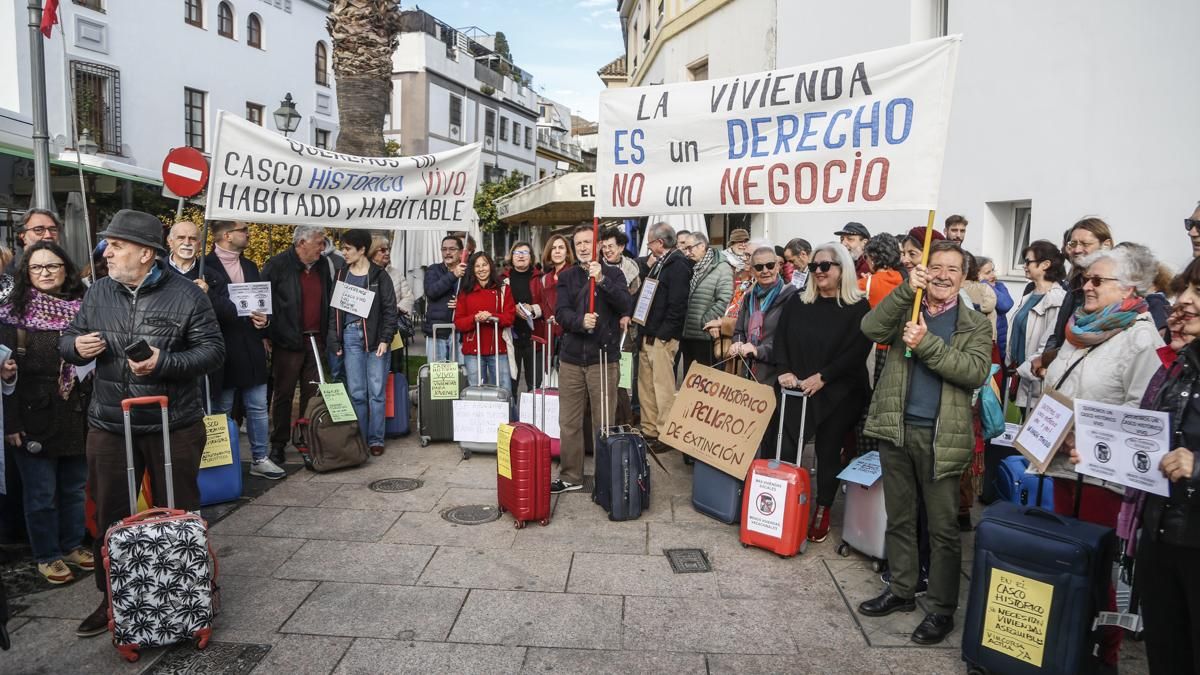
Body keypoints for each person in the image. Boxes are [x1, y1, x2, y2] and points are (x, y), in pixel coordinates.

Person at [59, 209, 224, 638]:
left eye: (117, 246)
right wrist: (76, 346)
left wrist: (164, 361)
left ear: (147, 254)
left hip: (175, 424)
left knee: (180, 514)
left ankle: (190, 592)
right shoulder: (98, 293)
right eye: (108, 245)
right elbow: (68, 340)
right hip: (112, 424)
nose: (107, 253)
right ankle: (113, 598)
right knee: (109, 516)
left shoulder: (189, 295)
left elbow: (212, 353)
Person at [857, 240, 992, 646]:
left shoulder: (974, 324)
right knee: (899, 518)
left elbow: (974, 372)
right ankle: (901, 589)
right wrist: (903, 290)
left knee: (943, 529)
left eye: (953, 269)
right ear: (924, 270)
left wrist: (926, 344)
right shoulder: (908, 307)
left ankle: (940, 609)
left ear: (964, 277)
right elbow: (870, 328)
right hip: (896, 429)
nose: (943, 275)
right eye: (937, 267)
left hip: (941, 438)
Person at [1041, 245, 1160, 669]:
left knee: (1096, 569)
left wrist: (1086, 436)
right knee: (1067, 561)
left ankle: (1101, 654)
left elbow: (1144, 415)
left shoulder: (1141, 337)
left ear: (1129, 288)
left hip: (1103, 477)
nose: (1086, 286)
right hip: (1061, 466)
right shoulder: (1082, 328)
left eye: (1097, 280)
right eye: (1084, 279)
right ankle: (1064, 642)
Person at [1118, 264, 1200, 674]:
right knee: (1166, 655)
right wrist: (1105, 453)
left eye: (1198, 291)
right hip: (1161, 531)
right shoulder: (1179, 365)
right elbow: (1150, 438)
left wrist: (1198, 466)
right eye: (1185, 289)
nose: (1184, 299)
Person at [1, 242, 89, 584]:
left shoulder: (84, 307)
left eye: (52, 266)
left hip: (76, 412)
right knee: (41, 494)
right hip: (32, 415)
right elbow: (5, 375)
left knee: (74, 488)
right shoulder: (13, 313)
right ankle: (46, 554)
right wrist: (10, 423)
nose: (45, 273)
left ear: (66, 268)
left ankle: (71, 545)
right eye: (37, 268)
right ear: (26, 273)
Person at [775, 243, 872, 542]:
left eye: (825, 266)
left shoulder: (858, 307)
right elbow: (781, 338)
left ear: (842, 269)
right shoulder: (797, 301)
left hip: (839, 389)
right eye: (814, 266)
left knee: (828, 449)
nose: (818, 271)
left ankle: (823, 507)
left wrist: (824, 377)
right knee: (786, 444)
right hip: (798, 386)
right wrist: (784, 369)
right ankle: (783, 503)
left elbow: (857, 351)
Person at [552, 226, 631, 493]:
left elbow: (625, 305)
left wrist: (604, 281)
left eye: (588, 242)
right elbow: (561, 312)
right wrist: (579, 321)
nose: (583, 247)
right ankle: (571, 476)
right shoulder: (567, 277)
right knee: (569, 421)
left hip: (603, 358)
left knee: (603, 423)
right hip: (572, 359)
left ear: (597, 245)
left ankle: (604, 477)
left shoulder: (614, 274)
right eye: (579, 243)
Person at [205, 221, 282, 479]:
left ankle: (260, 458)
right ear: (227, 235)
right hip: (223, 350)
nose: (248, 234)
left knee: (259, 407)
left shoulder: (249, 265)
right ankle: (225, 463)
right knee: (223, 409)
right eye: (243, 230)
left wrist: (265, 322)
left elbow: (261, 303)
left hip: (251, 347)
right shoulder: (205, 267)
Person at [261, 225, 333, 466]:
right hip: (288, 340)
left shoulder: (323, 266)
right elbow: (264, 302)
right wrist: (268, 333)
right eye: (318, 243)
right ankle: (278, 443)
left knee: (312, 393)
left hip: (316, 339)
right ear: (302, 243)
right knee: (284, 393)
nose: (322, 248)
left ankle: (305, 439)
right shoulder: (277, 265)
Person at [329, 229, 398, 457]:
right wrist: (334, 339)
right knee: (357, 391)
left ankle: (376, 439)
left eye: (348, 248)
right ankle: (359, 438)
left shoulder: (379, 276)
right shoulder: (341, 275)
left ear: (361, 250)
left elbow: (390, 310)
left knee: (376, 392)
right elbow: (334, 311)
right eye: (343, 248)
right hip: (350, 337)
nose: (344, 253)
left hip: (374, 338)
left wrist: (385, 339)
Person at [638, 222, 690, 452]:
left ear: (659, 242)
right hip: (648, 333)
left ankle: (665, 433)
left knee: (663, 387)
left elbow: (677, 305)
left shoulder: (677, 265)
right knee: (646, 386)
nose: (649, 248)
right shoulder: (659, 264)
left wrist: (663, 334)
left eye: (650, 243)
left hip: (662, 337)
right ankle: (649, 428)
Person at [1037, 217, 1115, 370]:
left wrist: (1049, 360)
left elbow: (1093, 343)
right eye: (1072, 244)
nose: (1077, 250)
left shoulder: (1113, 289)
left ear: (1106, 245)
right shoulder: (1075, 283)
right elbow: (1058, 333)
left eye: (1085, 244)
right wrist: (1048, 361)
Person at [1009, 241, 1068, 416]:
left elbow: (1050, 344)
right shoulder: (1029, 295)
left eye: (1028, 262)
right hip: (1023, 377)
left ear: (1045, 265)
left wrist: (1024, 370)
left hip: (1038, 380)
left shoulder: (1057, 300)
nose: (1024, 266)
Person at [454, 251, 515, 391]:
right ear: (472, 269)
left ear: (491, 266)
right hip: (473, 351)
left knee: (503, 390)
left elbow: (509, 318)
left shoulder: (503, 289)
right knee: (476, 391)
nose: (481, 269)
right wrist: (474, 318)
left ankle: (506, 414)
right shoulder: (465, 291)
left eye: (484, 264)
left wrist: (491, 316)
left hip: (498, 350)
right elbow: (459, 322)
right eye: (477, 266)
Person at [680, 231, 732, 373]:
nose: (687, 252)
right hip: (688, 334)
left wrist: (704, 321)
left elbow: (724, 300)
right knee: (689, 379)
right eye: (685, 249)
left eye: (690, 248)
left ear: (702, 246)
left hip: (705, 335)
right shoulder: (691, 266)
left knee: (705, 380)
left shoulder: (722, 267)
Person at [503, 241, 541, 397]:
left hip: (535, 338)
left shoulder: (540, 278)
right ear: (511, 257)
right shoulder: (502, 279)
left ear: (531, 257)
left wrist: (533, 309)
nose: (520, 256)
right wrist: (513, 311)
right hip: (511, 338)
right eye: (517, 253)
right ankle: (512, 418)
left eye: (525, 252)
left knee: (535, 384)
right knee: (510, 383)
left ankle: (533, 419)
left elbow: (548, 305)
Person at [531, 234, 574, 365]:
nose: (557, 251)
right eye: (553, 248)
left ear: (567, 252)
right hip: (550, 334)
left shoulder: (575, 274)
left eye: (561, 247)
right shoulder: (544, 279)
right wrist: (531, 309)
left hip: (569, 333)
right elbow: (545, 307)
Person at [423, 235, 466, 362]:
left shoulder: (468, 272)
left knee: (461, 374)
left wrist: (462, 304)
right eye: (444, 249)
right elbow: (431, 292)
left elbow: (475, 298)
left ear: (461, 252)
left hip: (460, 333)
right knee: (438, 377)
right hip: (437, 332)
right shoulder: (433, 270)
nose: (447, 252)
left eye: (452, 249)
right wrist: (453, 275)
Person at [975, 257, 1013, 363]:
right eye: (988, 272)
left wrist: (986, 284)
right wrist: (983, 284)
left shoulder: (999, 286)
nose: (993, 275)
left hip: (1000, 344)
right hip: (985, 345)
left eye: (993, 270)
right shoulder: (975, 289)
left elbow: (1006, 304)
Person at [7, 209, 62, 274]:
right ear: (22, 235)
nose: (48, 235)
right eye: (38, 230)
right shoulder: (7, 270)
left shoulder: (67, 267)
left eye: (53, 229)